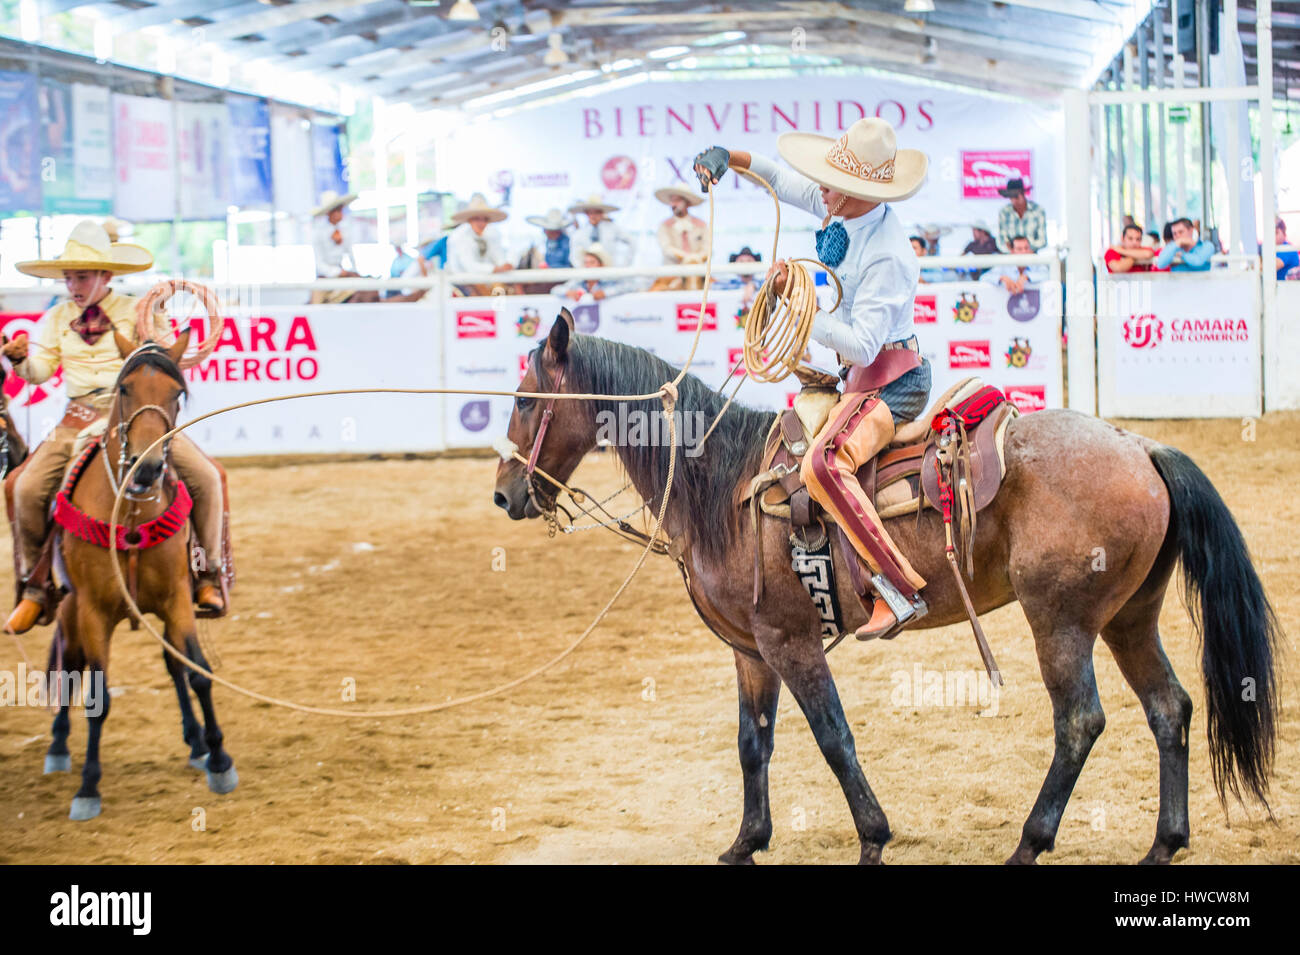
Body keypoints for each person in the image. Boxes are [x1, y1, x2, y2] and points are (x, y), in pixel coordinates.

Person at [694, 116, 931, 640]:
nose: (819, 188)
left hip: (893, 381)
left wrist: (798, 302)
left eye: (830, 183)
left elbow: (865, 344)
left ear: (855, 193)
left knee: (823, 465)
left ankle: (898, 589)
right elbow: (780, 178)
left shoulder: (888, 254)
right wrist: (727, 158)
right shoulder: (838, 204)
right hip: (864, 374)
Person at [2, 221, 228, 634]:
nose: (73, 285)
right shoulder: (55, 319)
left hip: (138, 416)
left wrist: (161, 338)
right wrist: (19, 362)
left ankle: (208, 574)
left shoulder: (138, 311)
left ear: (106, 276)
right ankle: (35, 587)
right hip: (79, 418)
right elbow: (40, 371)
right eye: (69, 277)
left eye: (82, 276)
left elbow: (162, 361)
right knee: (25, 487)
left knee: (208, 478)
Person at [445, 193, 513, 295]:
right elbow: (469, 265)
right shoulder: (459, 236)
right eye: (477, 219)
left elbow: (497, 255)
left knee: (503, 289)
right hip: (461, 282)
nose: (482, 223)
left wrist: (504, 265)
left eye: (485, 219)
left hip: (484, 279)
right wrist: (496, 268)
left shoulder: (491, 234)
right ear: (470, 219)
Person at [311, 190, 363, 303]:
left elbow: (351, 254)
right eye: (338, 211)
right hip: (324, 278)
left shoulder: (345, 231)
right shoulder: (318, 233)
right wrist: (338, 272)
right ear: (329, 213)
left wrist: (354, 272)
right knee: (316, 308)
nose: (341, 213)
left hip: (342, 277)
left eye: (341, 210)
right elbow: (318, 263)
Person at [567, 194, 634, 267]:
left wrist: (623, 264)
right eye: (590, 213)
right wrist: (583, 270)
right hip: (587, 274)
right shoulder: (579, 233)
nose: (593, 216)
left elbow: (631, 242)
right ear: (586, 214)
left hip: (610, 272)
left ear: (602, 213)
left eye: (597, 212)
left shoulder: (613, 228)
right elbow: (574, 256)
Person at [552, 245, 632, 302]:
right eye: (586, 262)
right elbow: (556, 290)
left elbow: (629, 286)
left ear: (601, 265)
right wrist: (568, 293)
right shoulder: (579, 281)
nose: (588, 266)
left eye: (592, 262)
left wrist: (605, 293)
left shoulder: (609, 281)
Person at [981, 236, 1049, 292]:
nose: (1024, 252)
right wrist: (1002, 278)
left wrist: (1027, 277)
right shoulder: (1005, 265)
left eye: (1026, 248)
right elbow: (984, 277)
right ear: (1012, 251)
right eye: (1019, 249)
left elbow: (1048, 275)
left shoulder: (1037, 263)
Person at [996, 177, 1047, 251]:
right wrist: (1012, 250)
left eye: (1016, 196)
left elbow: (1043, 240)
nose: (1014, 199)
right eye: (1011, 196)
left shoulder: (1038, 210)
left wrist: (1028, 249)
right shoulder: (1004, 212)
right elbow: (1001, 241)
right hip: (1011, 258)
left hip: (1033, 258)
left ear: (1023, 194)